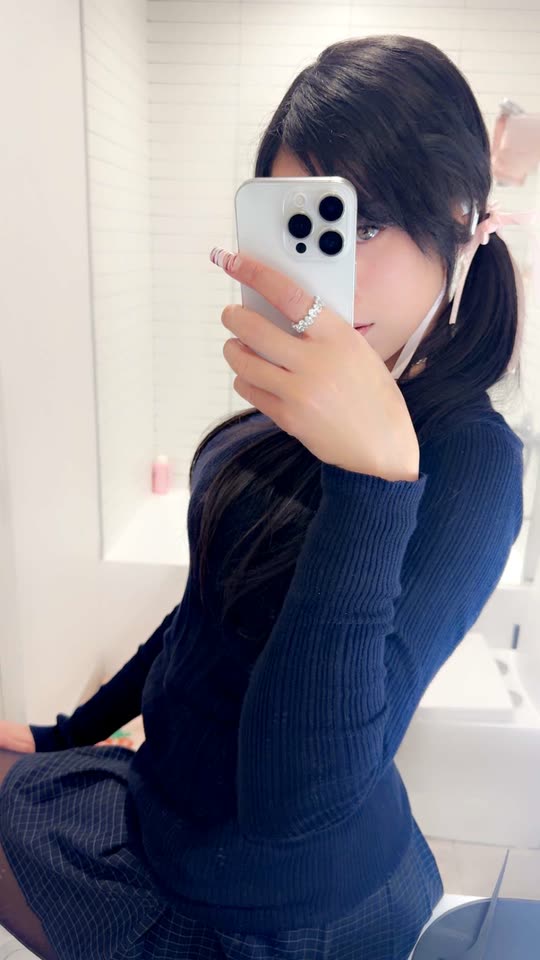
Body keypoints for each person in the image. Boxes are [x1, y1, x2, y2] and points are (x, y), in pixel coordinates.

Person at [0, 34, 527, 960]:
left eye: (364, 223)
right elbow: (208, 612)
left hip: (271, 909)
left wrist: (372, 481)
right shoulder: (311, 397)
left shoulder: (472, 462)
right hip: (169, 816)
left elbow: (299, 798)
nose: (330, 270)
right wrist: (66, 734)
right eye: (307, 223)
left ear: (458, 217)